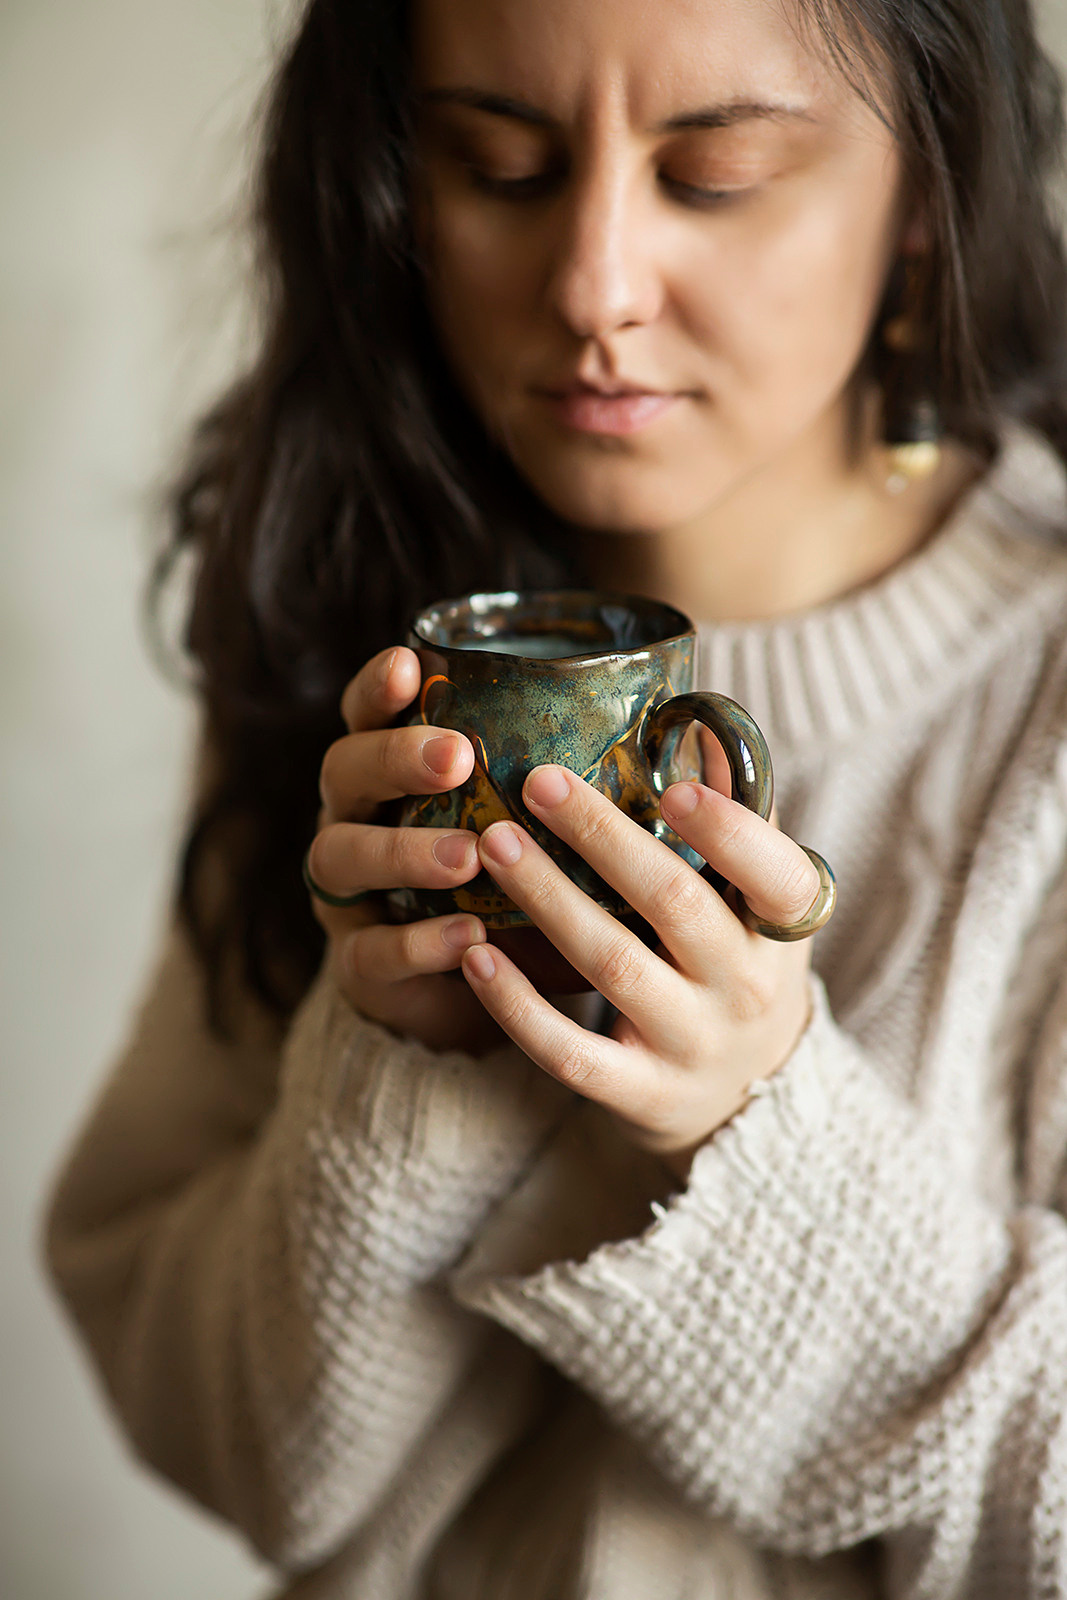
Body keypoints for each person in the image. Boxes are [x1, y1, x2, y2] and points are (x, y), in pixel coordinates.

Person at [41, 0, 1067, 1593]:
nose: (593, 287)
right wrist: (399, 1070)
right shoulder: (366, 644)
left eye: (713, 176)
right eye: (498, 166)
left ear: (927, 195)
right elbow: (244, 1464)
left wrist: (754, 1128)